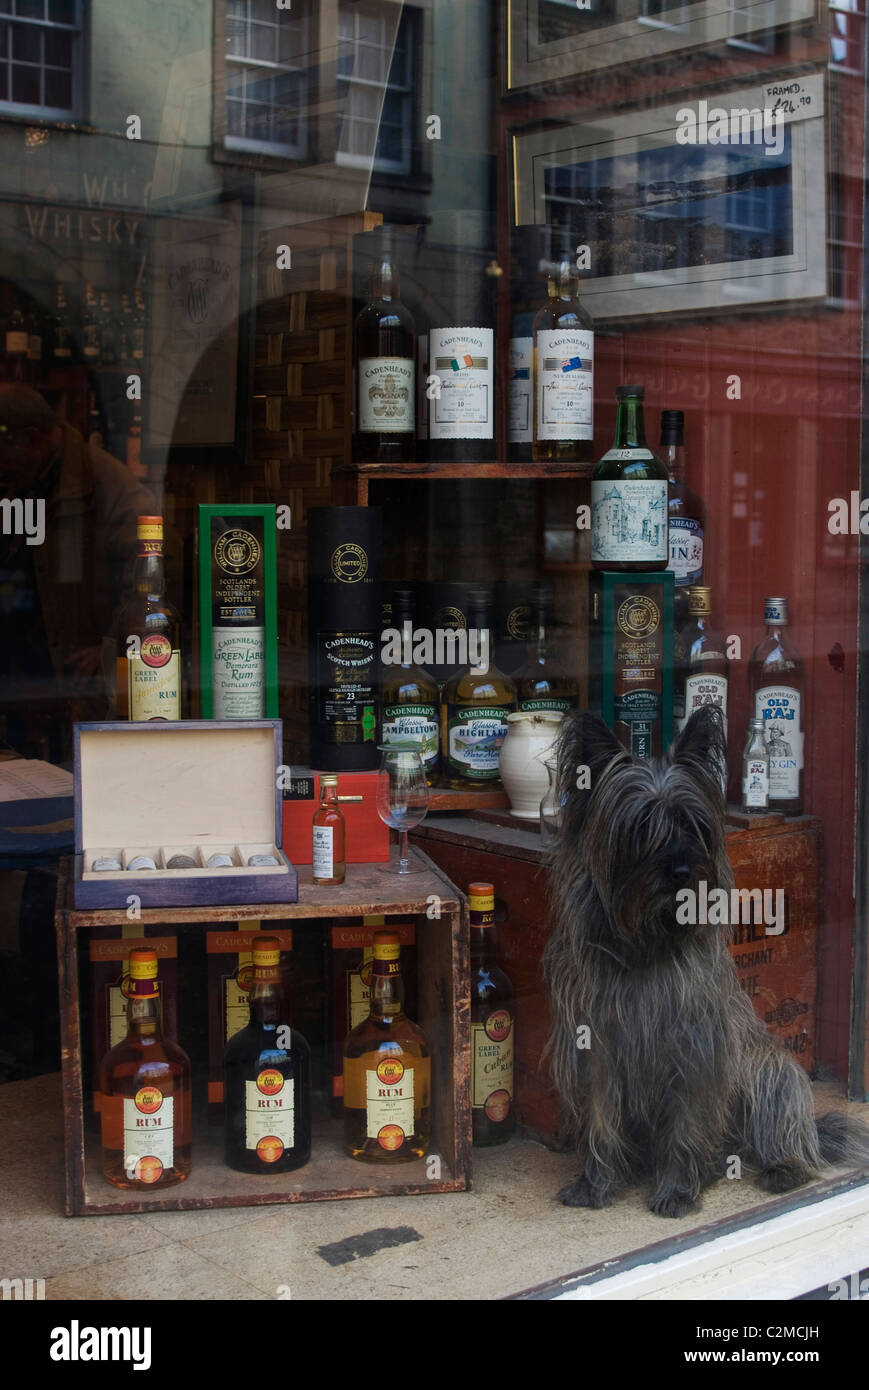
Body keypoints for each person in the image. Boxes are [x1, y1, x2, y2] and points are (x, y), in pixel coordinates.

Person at [0, 383, 156, 759]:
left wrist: (106, 647)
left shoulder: (114, 491)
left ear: (30, 440)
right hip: (24, 686)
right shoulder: (23, 479)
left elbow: (151, 589)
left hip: (74, 692)